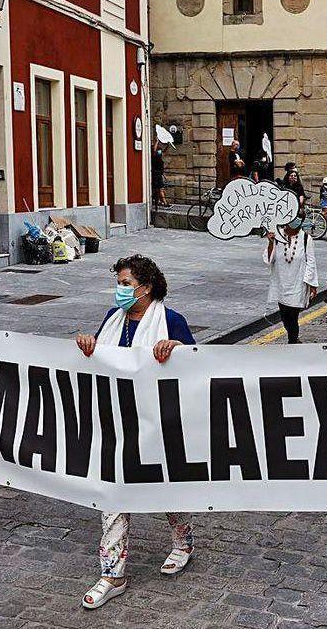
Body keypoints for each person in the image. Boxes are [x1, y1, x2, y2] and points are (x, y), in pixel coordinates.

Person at [75, 255, 197, 609]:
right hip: (116, 421)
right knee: (113, 493)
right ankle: (112, 573)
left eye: (126, 283)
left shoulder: (171, 320)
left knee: (167, 489)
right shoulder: (113, 320)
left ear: (146, 287)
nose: (120, 289)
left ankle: (183, 543)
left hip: (159, 422)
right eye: (119, 282)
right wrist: (88, 346)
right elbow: (100, 358)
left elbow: (198, 364)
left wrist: (177, 349)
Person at [264, 216, 318, 344]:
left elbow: (311, 261)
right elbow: (268, 260)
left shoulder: (306, 239)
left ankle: (293, 340)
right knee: (284, 315)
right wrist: (271, 242)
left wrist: (312, 284)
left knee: (293, 315)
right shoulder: (277, 237)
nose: (291, 230)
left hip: (298, 283)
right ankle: (292, 336)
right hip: (281, 282)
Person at [152, 141, 169, 207]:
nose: (160, 152)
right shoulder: (156, 158)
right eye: (159, 151)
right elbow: (154, 150)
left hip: (158, 175)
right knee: (160, 189)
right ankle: (165, 203)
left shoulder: (159, 158)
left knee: (159, 189)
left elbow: (161, 170)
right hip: (157, 175)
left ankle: (160, 201)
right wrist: (157, 141)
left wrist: (167, 144)